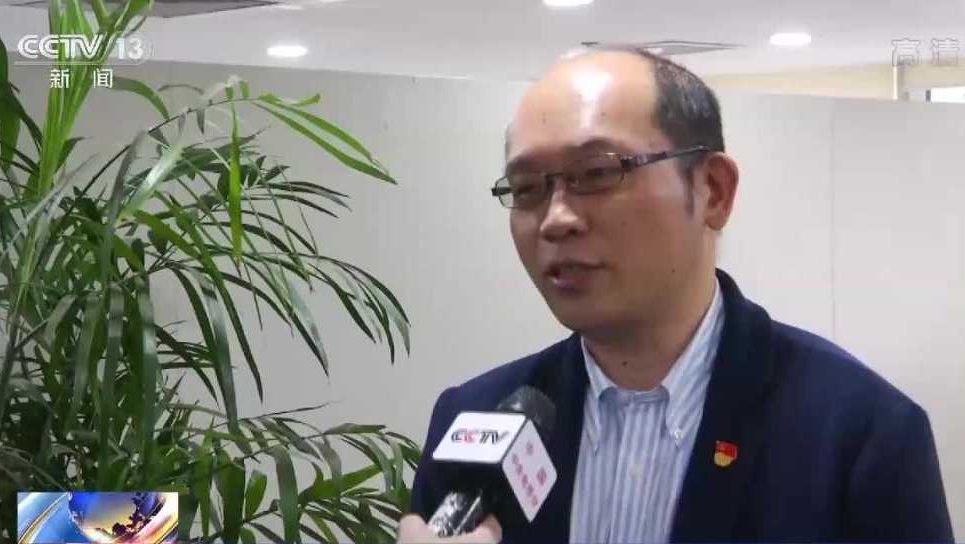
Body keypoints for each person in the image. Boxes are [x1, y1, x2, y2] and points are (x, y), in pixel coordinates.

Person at [397, 48, 954, 543]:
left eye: (597, 173)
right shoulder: (475, 416)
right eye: (526, 189)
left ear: (713, 191)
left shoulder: (860, 433)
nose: (556, 218)